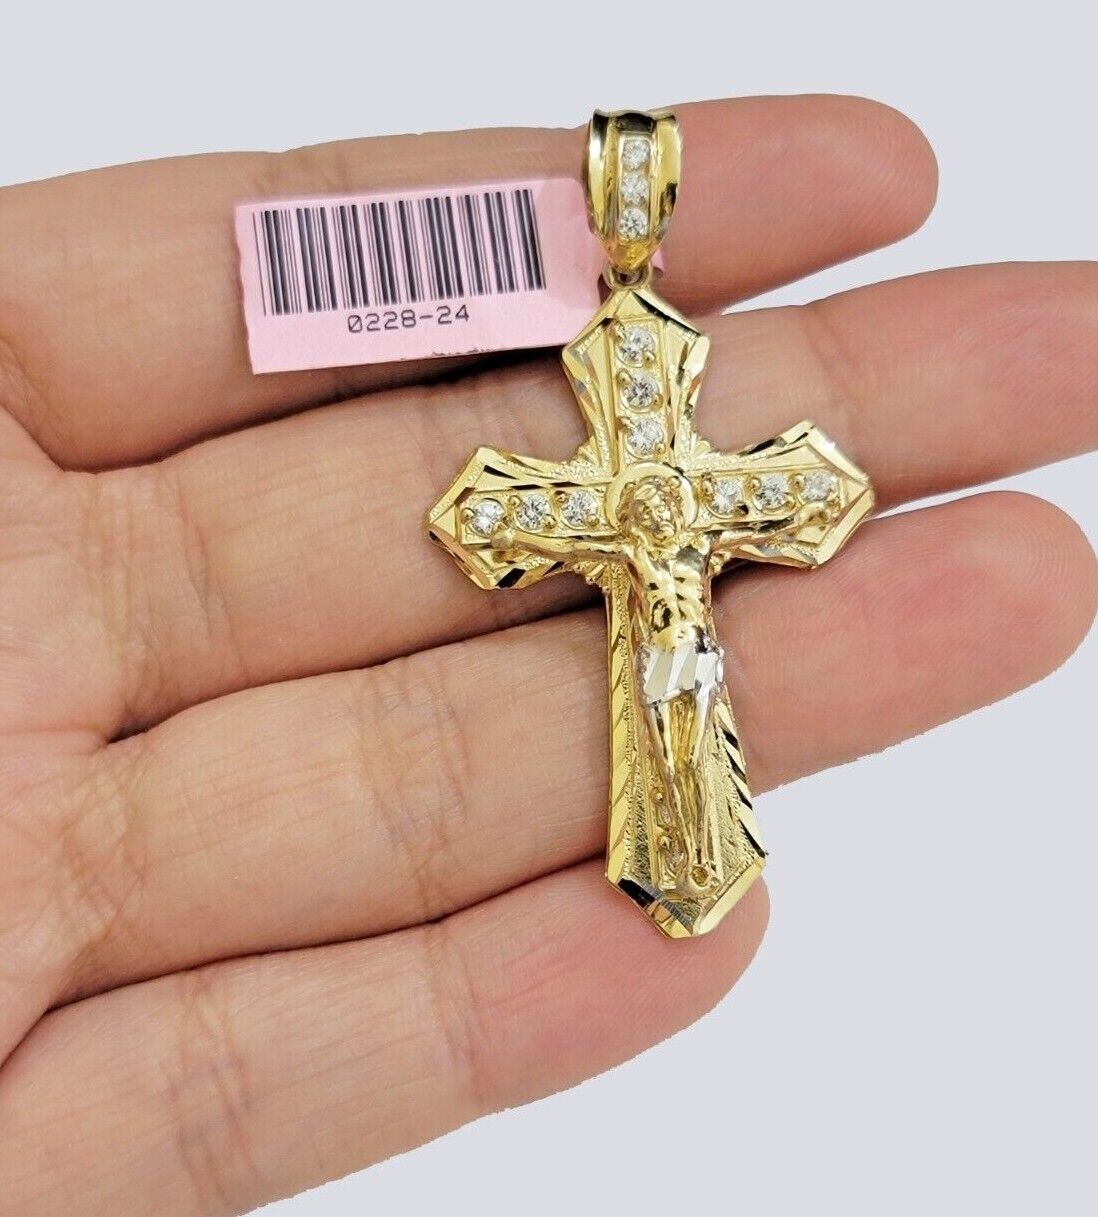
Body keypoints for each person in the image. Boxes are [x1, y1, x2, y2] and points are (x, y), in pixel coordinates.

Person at [0, 95, 1094, 1217]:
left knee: (687, 687)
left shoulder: (706, 483)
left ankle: (693, 836)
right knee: (667, 691)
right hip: (646, 607)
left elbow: (814, 488)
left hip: (680, 622)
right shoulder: (602, 498)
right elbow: (484, 512)